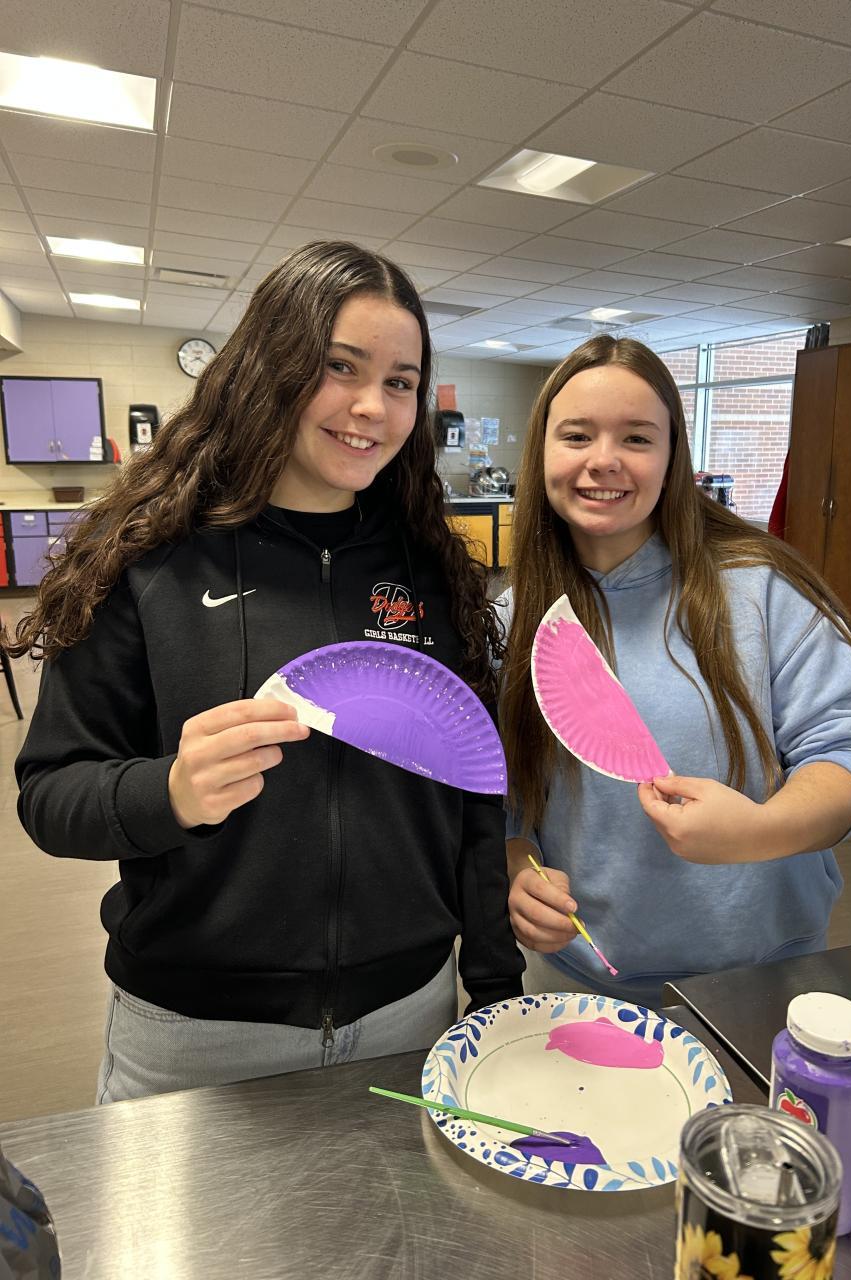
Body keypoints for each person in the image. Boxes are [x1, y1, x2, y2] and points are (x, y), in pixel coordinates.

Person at [9, 240, 523, 1102]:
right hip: (193, 1035)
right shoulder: (147, 560)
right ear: (269, 368)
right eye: (339, 367)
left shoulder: (432, 571)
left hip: (412, 1014)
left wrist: (496, 987)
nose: (372, 406)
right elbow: (51, 794)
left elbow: (472, 795)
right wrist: (170, 791)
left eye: (401, 382)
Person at [498, 335, 851, 1009]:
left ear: (671, 458)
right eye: (577, 435)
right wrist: (516, 866)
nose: (604, 460)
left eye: (636, 437)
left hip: (762, 982)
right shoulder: (518, 618)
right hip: (581, 981)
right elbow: (505, 792)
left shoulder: (759, 589)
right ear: (542, 453)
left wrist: (762, 830)